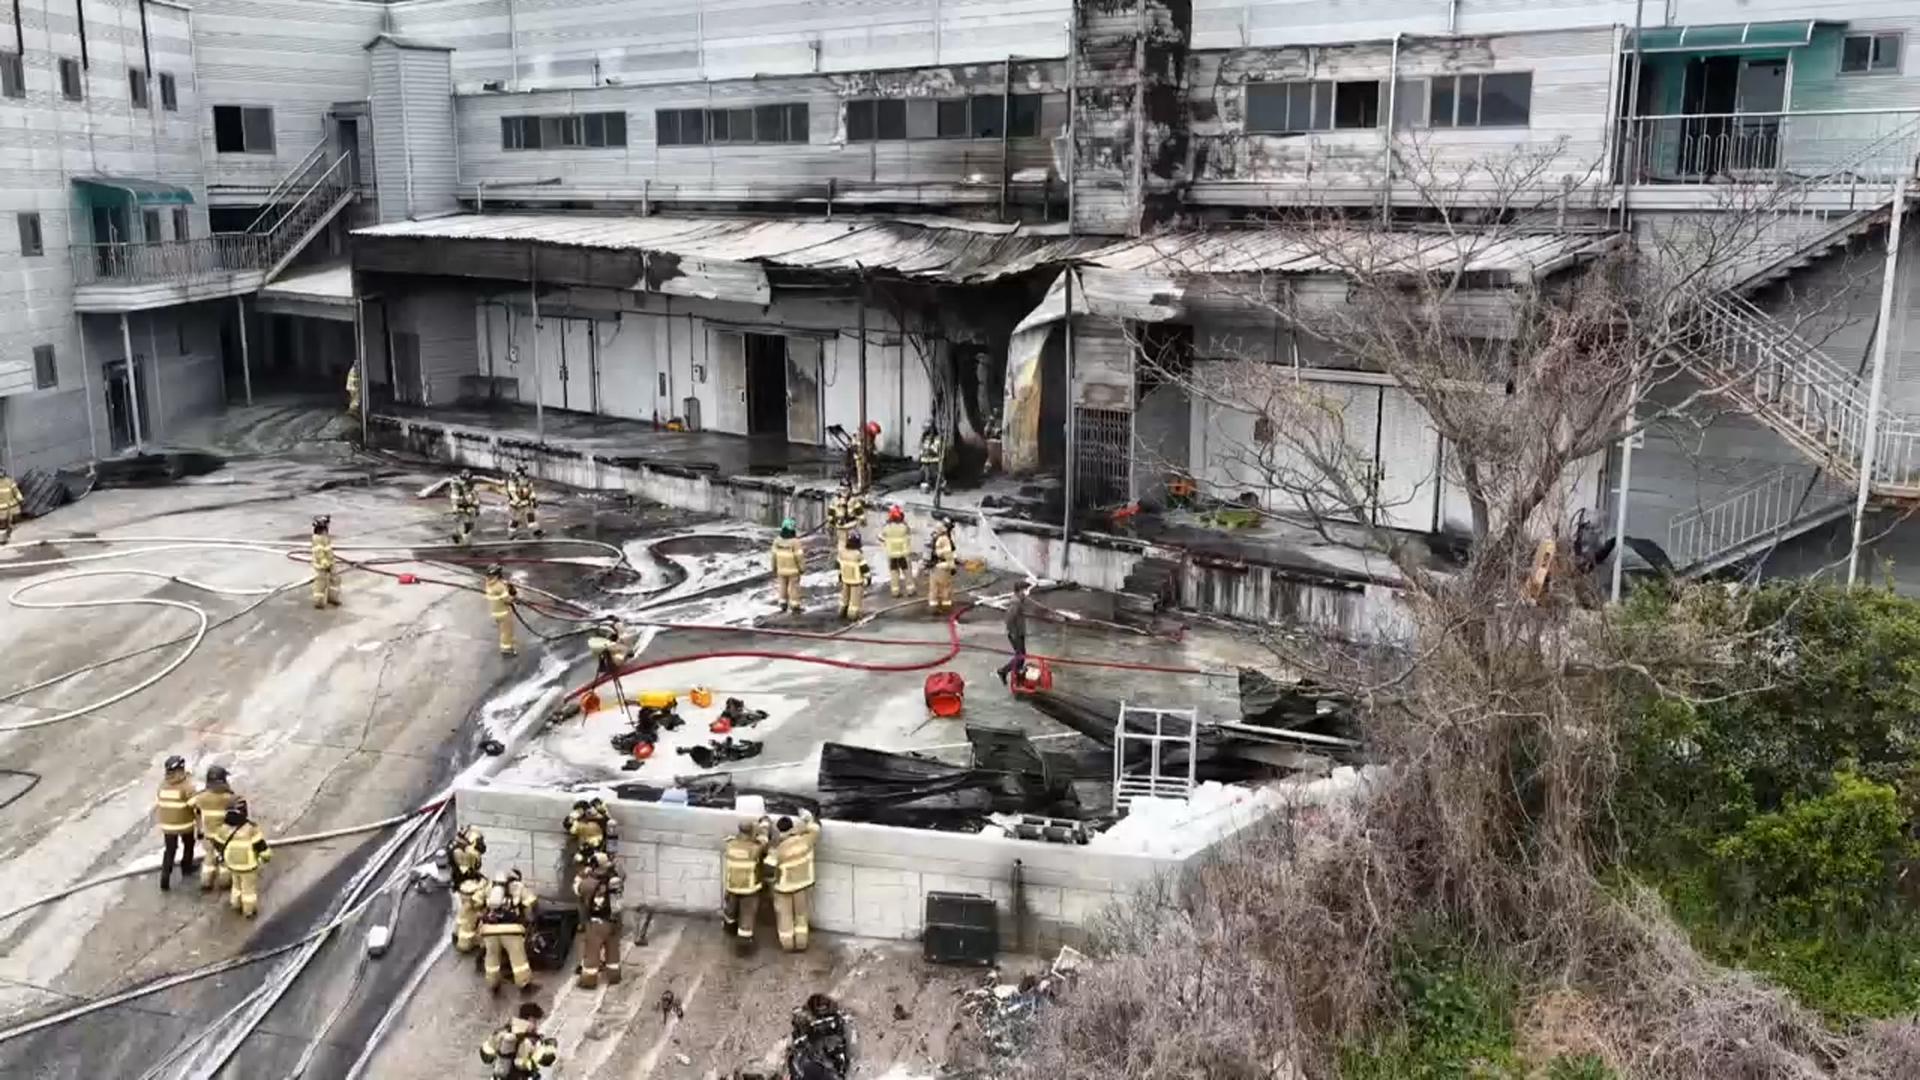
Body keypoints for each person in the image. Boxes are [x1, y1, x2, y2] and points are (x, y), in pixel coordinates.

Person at [765, 810, 821, 952]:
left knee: (785, 918)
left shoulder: (778, 849)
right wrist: (806, 817)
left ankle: (788, 945)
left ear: (779, 830)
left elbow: (768, 869)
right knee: (801, 916)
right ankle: (801, 943)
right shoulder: (806, 840)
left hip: (783, 888)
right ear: (792, 827)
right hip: (803, 884)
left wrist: (772, 886)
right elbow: (816, 827)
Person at [480, 869, 539, 993]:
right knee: (518, 960)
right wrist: (529, 920)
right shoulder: (518, 887)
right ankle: (524, 984)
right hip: (511, 930)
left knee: (491, 958)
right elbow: (531, 902)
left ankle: (493, 983)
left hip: (489, 931)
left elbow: (476, 901)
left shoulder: (489, 887)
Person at [573, 850, 623, 988]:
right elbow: (623, 875)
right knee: (613, 950)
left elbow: (577, 889)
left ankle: (589, 980)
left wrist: (581, 874)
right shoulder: (616, 881)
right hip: (614, 922)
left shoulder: (587, 883)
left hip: (596, 924)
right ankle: (614, 976)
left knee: (592, 952)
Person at [213, 798, 271, 918]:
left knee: (236, 885)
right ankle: (249, 910)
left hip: (232, 864)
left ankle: (235, 904)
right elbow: (261, 846)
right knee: (248, 889)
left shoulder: (224, 828)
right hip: (248, 865)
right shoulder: (250, 828)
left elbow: (217, 844)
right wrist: (266, 857)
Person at [721, 816, 771, 951]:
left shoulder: (730, 844)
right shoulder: (754, 849)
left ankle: (729, 927)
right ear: (751, 832)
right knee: (747, 914)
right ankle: (743, 944)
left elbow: (736, 838)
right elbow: (764, 840)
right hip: (749, 888)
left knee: (731, 910)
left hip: (732, 885)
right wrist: (764, 824)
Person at [154, 755, 200, 891]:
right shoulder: (186, 786)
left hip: (167, 826)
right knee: (189, 844)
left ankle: (165, 877)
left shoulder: (162, 785)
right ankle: (186, 868)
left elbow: (159, 803)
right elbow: (195, 806)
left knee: (170, 850)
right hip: (184, 824)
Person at [480, 1002, 558, 1079]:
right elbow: (545, 1060)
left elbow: (485, 1055)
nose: (536, 1027)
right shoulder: (531, 1041)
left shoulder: (503, 1032)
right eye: (535, 1022)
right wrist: (551, 1046)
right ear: (530, 1019)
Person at [190, 765, 237, 892]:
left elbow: (192, 806)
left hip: (208, 835)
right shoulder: (229, 798)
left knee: (209, 859)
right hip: (224, 836)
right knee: (224, 860)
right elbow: (236, 815)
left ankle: (206, 882)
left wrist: (199, 829)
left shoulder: (201, 797)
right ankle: (224, 882)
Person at [448, 825, 487, 953]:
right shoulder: (460, 851)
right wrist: (474, 853)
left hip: (462, 882)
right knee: (470, 915)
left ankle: (457, 933)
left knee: (464, 912)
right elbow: (469, 869)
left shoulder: (456, 846)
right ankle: (465, 943)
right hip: (466, 885)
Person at [996, 582, 1033, 685]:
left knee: (1021, 656)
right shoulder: (1015, 603)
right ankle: (1003, 671)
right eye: (1025, 590)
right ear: (1019, 590)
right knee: (1020, 656)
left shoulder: (1019, 601)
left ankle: (1017, 676)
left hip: (1019, 632)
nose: (1026, 592)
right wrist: (1013, 632)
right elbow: (1009, 619)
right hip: (1016, 633)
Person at [564, 796, 615, 867]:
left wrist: (600, 812)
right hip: (587, 848)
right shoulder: (578, 823)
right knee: (579, 858)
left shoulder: (600, 819)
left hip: (600, 847)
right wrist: (573, 817)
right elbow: (568, 825)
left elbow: (608, 823)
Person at [770, 518, 805, 613]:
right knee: (794, 587)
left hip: (781, 570)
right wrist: (802, 568)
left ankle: (783, 603)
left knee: (782, 586)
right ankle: (794, 605)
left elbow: (773, 556)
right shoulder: (795, 542)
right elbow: (799, 557)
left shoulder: (777, 541)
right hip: (793, 570)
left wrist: (773, 567)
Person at [879, 506, 914, 598]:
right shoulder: (904, 527)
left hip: (892, 555)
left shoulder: (886, 528)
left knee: (894, 573)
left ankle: (895, 592)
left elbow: (880, 537)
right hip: (903, 554)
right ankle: (910, 590)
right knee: (907, 572)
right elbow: (909, 532)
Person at [925, 517, 958, 613]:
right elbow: (948, 555)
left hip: (933, 566)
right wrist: (952, 567)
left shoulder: (934, 536)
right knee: (945, 588)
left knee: (933, 588)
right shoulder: (945, 539)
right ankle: (946, 607)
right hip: (943, 566)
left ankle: (932, 607)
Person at [485, 563, 518, 657]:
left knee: (504, 631)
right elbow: (508, 600)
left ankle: (509, 645)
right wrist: (513, 595)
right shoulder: (499, 587)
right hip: (504, 613)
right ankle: (506, 650)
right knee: (506, 632)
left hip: (496, 612)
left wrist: (505, 584)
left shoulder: (488, 583)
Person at [504, 463, 544, 540]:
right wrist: (517, 501)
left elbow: (530, 489)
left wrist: (533, 498)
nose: (525, 471)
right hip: (517, 504)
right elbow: (512, 491)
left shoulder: (526, 478)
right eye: (524, 469)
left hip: (526, 501)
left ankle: (536, 532)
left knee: (531, 516)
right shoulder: (514, 478)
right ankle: (511, 535)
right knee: (515, 520)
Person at [836, 533, 870, 621]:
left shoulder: (842, 553)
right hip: (856, 581)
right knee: (855, 601)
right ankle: (853, 615)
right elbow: (864, 568)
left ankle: (842, 611)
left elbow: (838, 565)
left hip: (845, 579)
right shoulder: (858, 554)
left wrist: (840, 576)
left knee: (845, 597)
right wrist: (868, 578)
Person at [310, 515, 340, 609]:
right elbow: (319, 553)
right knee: (320, 583)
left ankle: (333, 597)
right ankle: (318, 602)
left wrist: (331, 562)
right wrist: (325, 563)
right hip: (322, 566)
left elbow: (328, 550)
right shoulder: (318, 539)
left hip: (330, 563)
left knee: (335, 580)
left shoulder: (324, 538)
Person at [448, 470, 482, 546]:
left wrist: (477, 508)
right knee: (461, 524)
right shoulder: (456, 486)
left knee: (470, 525)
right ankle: (459, 537)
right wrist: (455, 507)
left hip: (470, 507)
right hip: (461, 508)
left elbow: (475, 497)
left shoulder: (471, 489)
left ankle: (464, 537)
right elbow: (454, 497)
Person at [917, 422, 943, 492]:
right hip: (925, 460)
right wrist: (921, 452)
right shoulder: (924, 437)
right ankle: (927, 486)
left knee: (936, 474)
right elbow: (921, 447)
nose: (925, 430)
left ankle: (942, 486)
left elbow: (936, 449)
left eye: (927, 428)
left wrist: (928, 449)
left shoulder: (936, 437)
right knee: (925, 474)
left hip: (933, 460)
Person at [0, 467, 21, 545]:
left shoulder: (10, 482)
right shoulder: (10, 481)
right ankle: (5, 538)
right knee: (7, 524)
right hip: (10, 508)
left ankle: (3, 540)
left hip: (3, 509)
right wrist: (20, 500)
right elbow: (16, 493)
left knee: (3, 525)